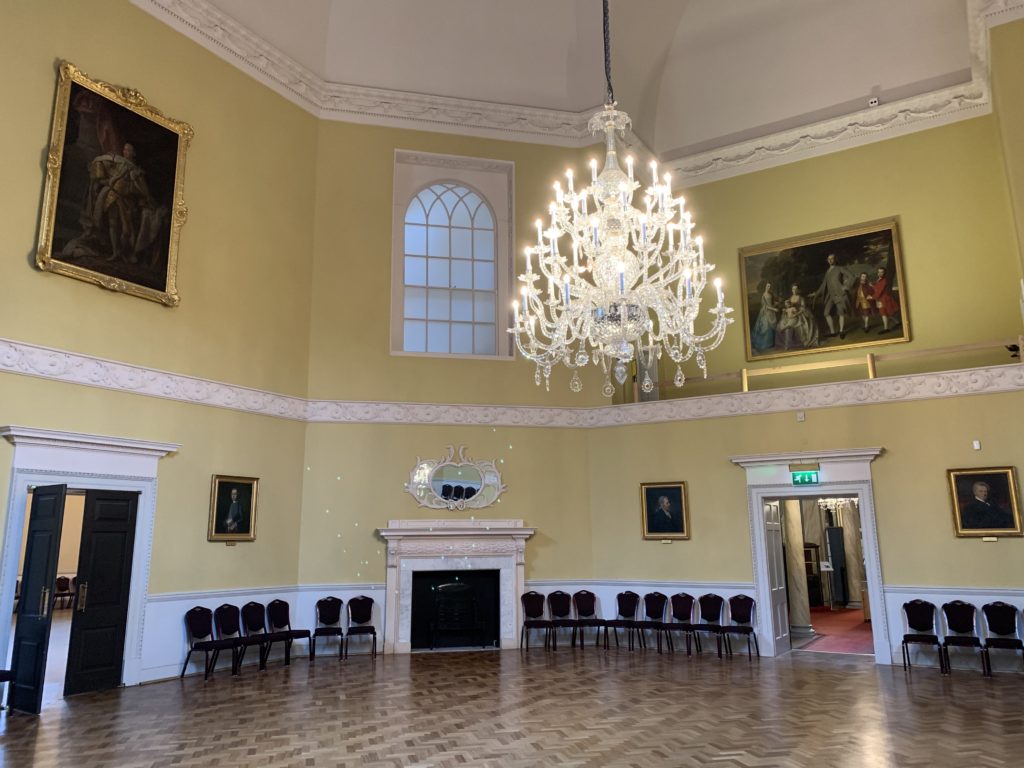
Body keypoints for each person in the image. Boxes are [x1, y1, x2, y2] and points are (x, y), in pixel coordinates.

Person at [810, 252, 855, 339]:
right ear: (827, 261)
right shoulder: (828, 272)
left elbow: (851, 276)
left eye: (832, 258)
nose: (830, 260)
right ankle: (833, 332)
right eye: (829, 259)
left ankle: (841, 331)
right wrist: (815, 293)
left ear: (835, 259)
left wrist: (846, 287)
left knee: (841, 312)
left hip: (839, 295)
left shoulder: (840, 268)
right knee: (826, 313)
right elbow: (823, 285)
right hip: (830, 296)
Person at [775, 284, 819, 350]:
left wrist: (797, 313)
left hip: (799, 314)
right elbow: (788, 306)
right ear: (791, 290)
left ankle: (794, 343)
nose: (794, 291)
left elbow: (803, 308)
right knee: (780, 325)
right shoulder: (790, 298)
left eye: (796, 289)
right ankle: (787, 343)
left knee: (798, 325)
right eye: (793, 289)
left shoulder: (801, 298)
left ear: (798, 290)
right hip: (790, 314)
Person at [751, 282, 779, 351]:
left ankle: (772, 343)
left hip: (771, 312)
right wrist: (774, 309)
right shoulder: (764, 295)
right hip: (766, 312)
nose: (769, 287)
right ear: (765, 287)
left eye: (770, 286)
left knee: (772, 327)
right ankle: (766, 344)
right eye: (768, 286)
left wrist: (775, 304)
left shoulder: (770, 294)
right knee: (766, 326)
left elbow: (771, 304)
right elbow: (765, 306)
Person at [872, 267, 900, 334]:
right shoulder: (879, 280)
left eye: (881, 272)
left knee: (884, 313)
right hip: (881, 299)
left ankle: (886, 328)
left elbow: (879, 291)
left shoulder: (884, 280)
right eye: (879, 272)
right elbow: (877, 287)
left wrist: (872, 297)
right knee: (888, 313)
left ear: (884, 273)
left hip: (884, 299)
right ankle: (898, 323)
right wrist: (873, 285)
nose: (880, 273)